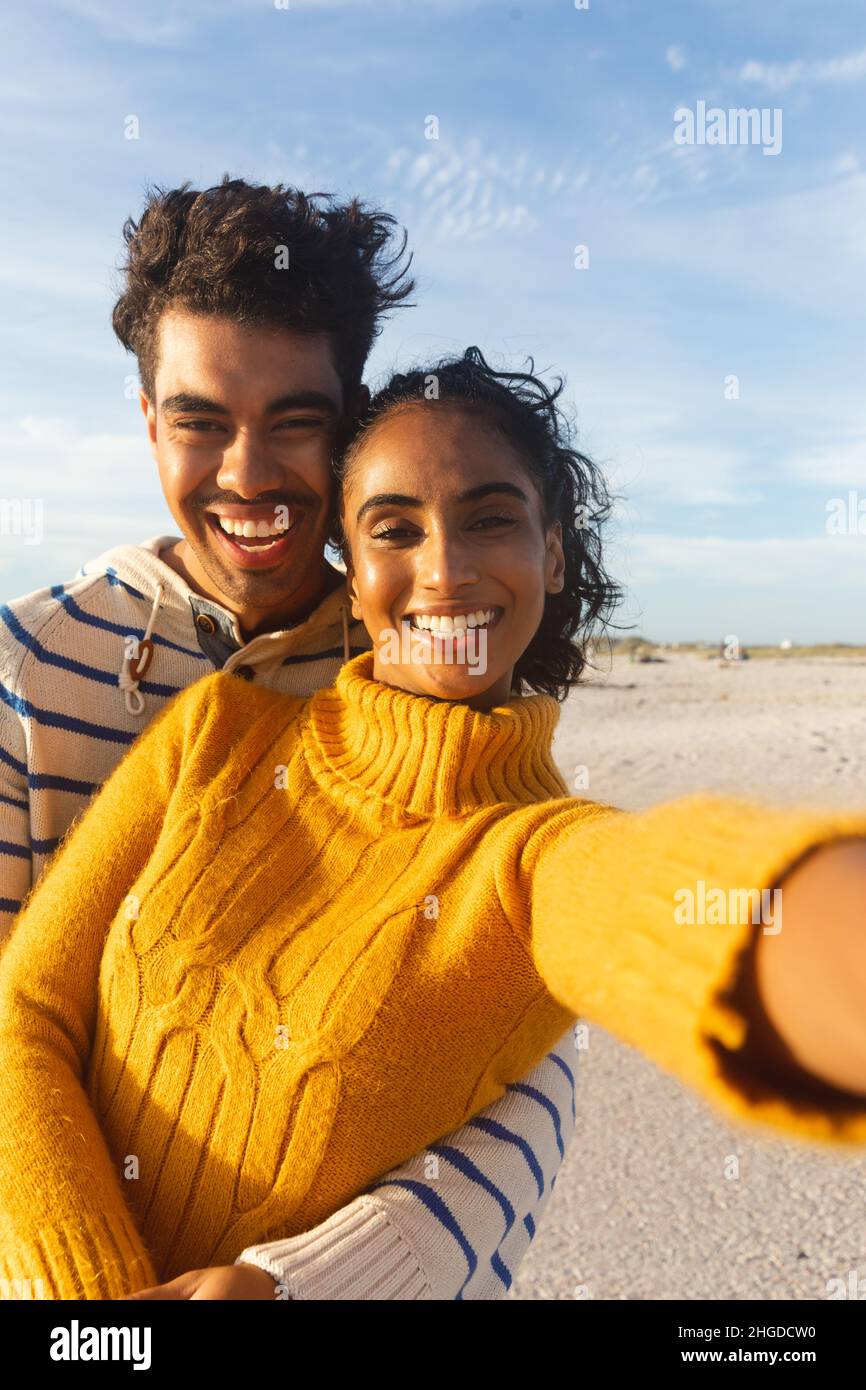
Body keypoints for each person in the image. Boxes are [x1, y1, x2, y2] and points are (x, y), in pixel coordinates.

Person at [2, 349, 866, 1304]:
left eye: (489, 519)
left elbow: (671, 904)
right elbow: (23, 1010)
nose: (445, 570)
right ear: (351, 562)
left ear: (552, 550)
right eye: (395, 529)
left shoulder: (534, 864)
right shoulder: (217, 733)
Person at [0, 179, 574, 1300]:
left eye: (296, 424)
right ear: (146, 419)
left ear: (349, 425)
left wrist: (295, 1285)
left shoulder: (416, 662)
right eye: (200, 420)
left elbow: (525, 1067)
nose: (249, 474)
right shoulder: (28, 665)